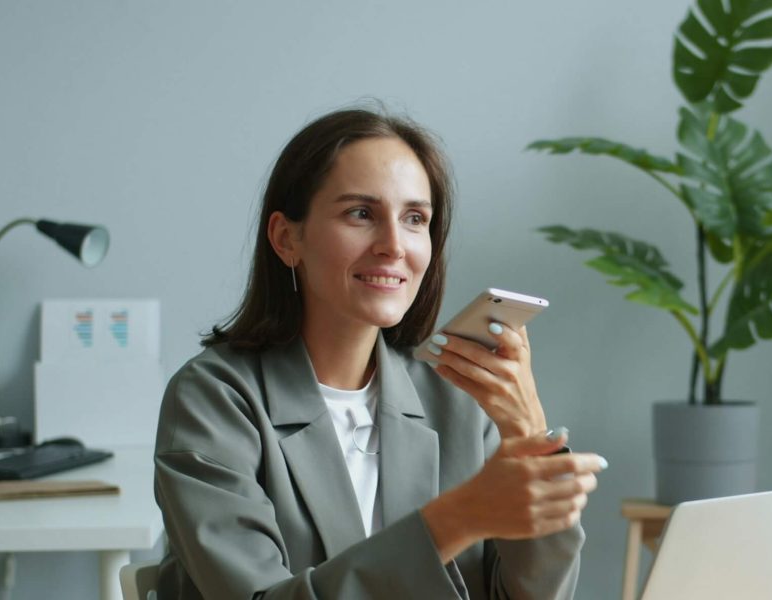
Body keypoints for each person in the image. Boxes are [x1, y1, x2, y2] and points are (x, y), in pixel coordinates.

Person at [153, 107, 607, 599]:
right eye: (361, 214)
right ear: (287, 238)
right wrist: (458, 518)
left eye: (415, 218)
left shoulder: (455, 403)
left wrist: (526, 435)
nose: (394, 245)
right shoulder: (212, 400)